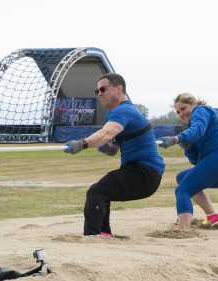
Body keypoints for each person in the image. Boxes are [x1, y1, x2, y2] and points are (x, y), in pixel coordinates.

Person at [64, 73, 165, 236]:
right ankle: (104, 234)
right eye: (97, 91)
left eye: (103, 89)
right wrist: (106, 148)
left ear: (119, 89)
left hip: (144, 172)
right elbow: (113, 149)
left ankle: (93, 237)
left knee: (96, 192)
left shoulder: (124, 110)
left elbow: (106, 133)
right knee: (102, 192)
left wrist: (82, 144)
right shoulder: (118, 112)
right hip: (143, 172)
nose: (99, 94)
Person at [157, 93, 218, 231]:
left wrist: (176, 139)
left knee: (183, 190)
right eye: (178, 112)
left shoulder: (202, 110)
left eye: (184, 108)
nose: (181, 114)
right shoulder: (191, 129)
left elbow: (198, 128)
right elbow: (197, 162)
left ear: (193, 103)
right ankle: (212, 217)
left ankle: (182, 230)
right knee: (182, 178)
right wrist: (188, 147)